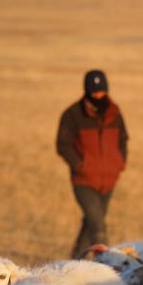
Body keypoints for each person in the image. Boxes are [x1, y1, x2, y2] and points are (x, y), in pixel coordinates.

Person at [56, 70, 129, 259]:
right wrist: (80, 165)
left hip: (109, 180)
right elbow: (62, 144)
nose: (98, 95)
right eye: (94, 91)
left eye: (102, 91)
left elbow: (123, 139)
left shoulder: (115, 112)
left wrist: (119, 163)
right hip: (84, 181)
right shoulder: (73, 114)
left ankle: (75, 262)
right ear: (87, 91)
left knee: (90, 223)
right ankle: (107, 266)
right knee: (98, 227)